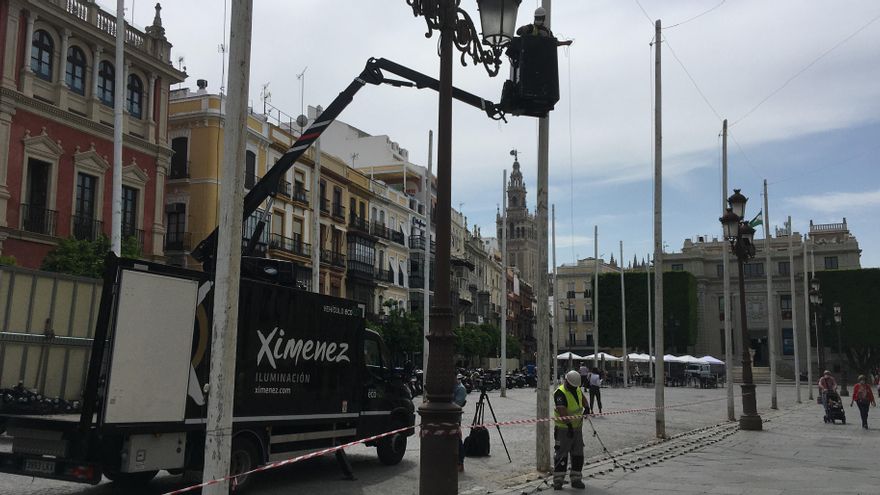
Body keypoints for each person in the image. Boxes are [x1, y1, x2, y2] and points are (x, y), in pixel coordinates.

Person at [552, 370, 587, 490]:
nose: (573, 388)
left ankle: (576, 479)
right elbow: (562, 411)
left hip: (577, 428)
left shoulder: (576, 388)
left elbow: (582, 397)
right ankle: (558, 481)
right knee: (561, 455)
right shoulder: (560, 393)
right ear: (566, 381)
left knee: (578, 454)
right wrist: (569, 426)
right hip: (563, 429)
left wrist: (587, 407)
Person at [454, 374, 468, 472]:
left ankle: (460, 462)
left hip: (454, 417)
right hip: (447, 417)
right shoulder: (452, 387)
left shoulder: (461, 389)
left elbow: (457, 404)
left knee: (457, 439)